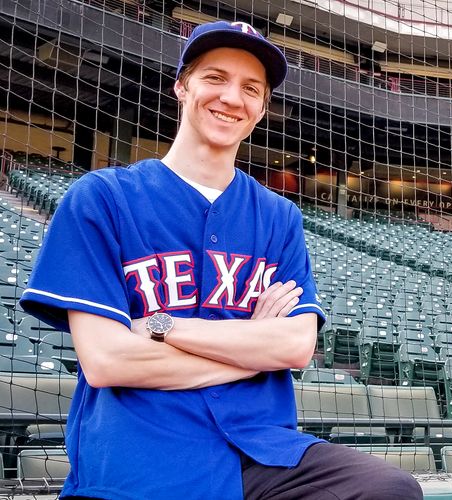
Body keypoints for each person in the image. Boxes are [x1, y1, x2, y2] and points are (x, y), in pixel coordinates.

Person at [20, 20, 423, 500]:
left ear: (260, 110)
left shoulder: (279, 217)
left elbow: (294, 346)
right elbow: (109, 360)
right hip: (142, 453)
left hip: (260, 450)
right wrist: (254, 351)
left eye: (251, 88)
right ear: (182, 87)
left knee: (388, 489)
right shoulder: (102, 198)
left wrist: (156, 325)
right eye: (215, 78)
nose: (232, 97)